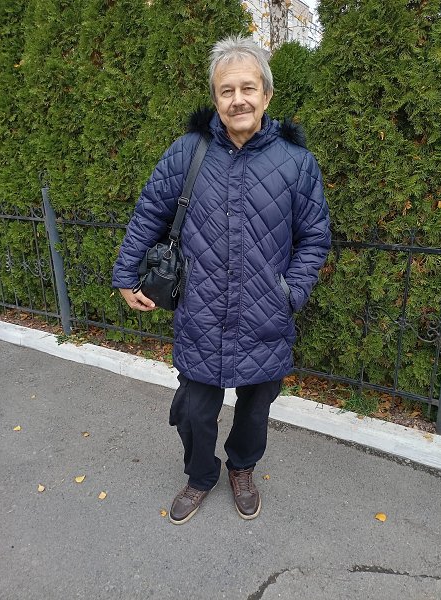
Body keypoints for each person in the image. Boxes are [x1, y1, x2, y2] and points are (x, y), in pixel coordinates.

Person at [112, 35, 331, 525]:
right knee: (193, 411)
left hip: (265, 315)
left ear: (266, 95)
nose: (238, 99)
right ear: (215, 99)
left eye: (247, 88)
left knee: (256, 409)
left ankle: (242, 468)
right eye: (226, 90)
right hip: (201, 313)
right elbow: (149, 214)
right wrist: (126, 276)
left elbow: (315, 238)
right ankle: (200, 475)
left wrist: (291, 292)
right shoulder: (187, 152)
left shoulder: (297, 163)